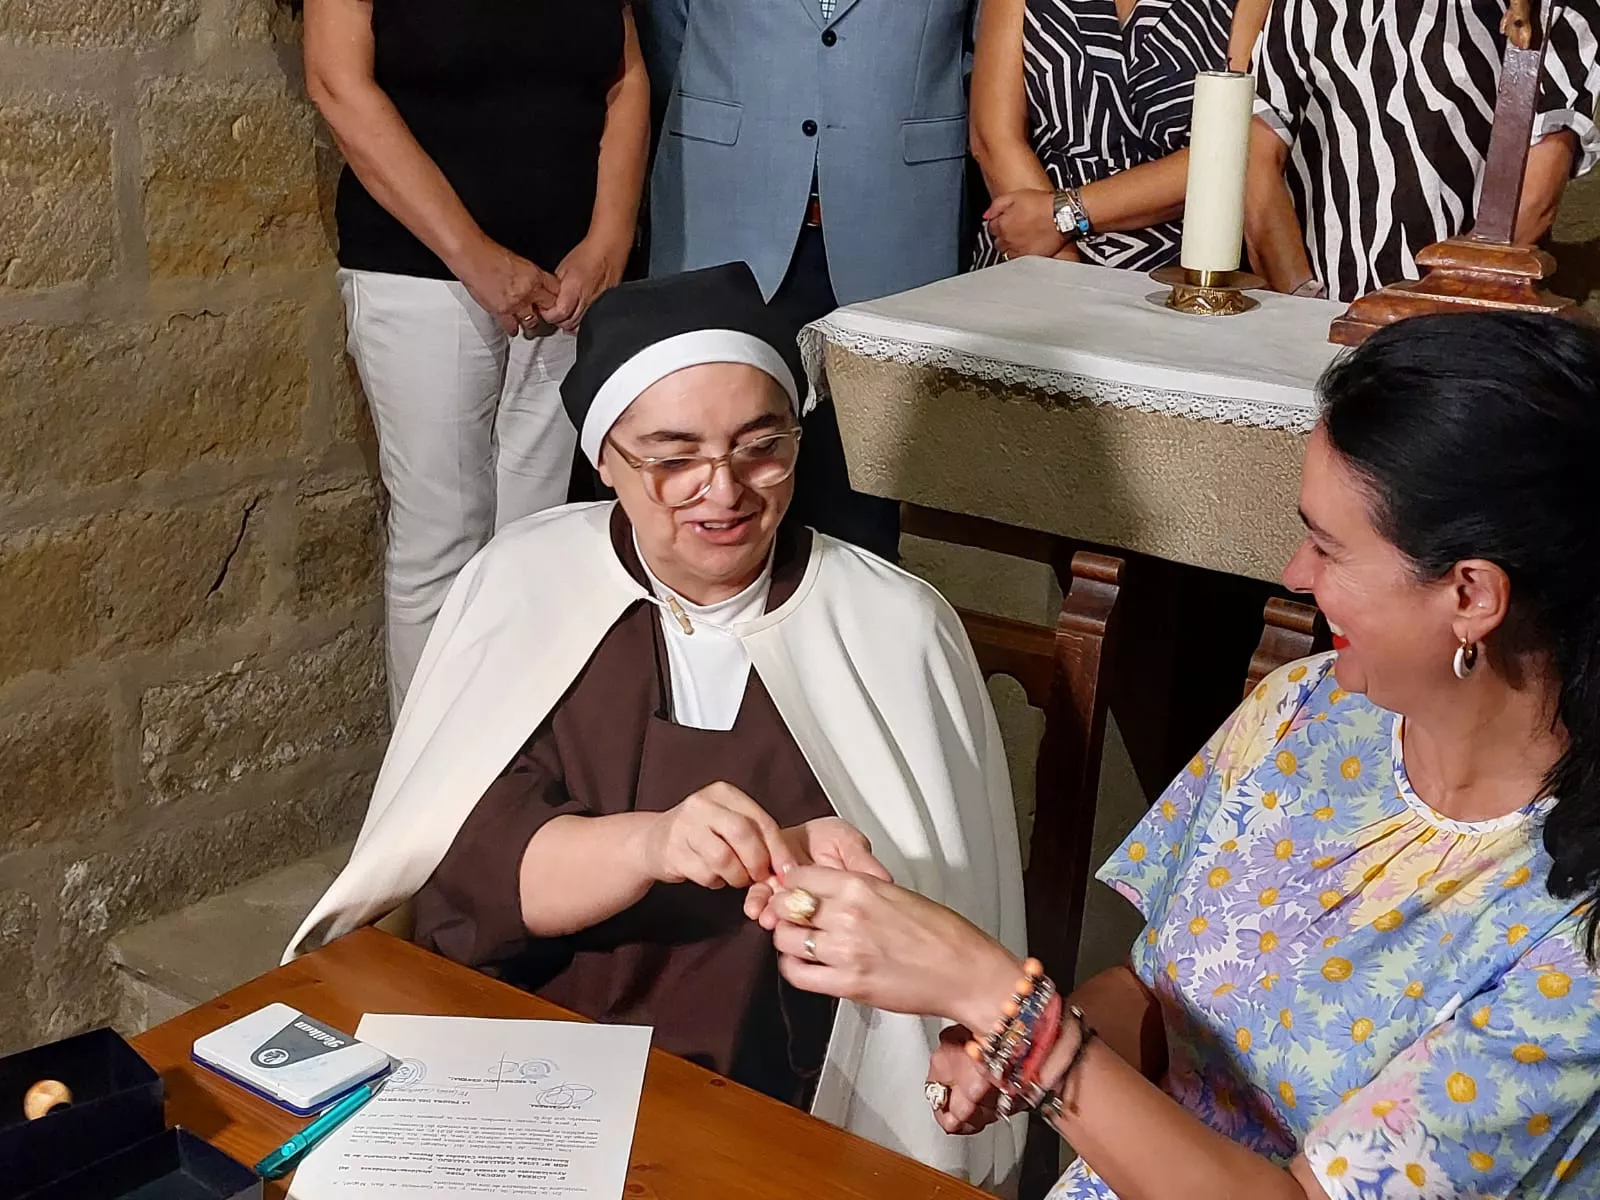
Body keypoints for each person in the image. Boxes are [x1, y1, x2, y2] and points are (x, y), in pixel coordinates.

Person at [754, 311, 1600, 1199]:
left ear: (1471, 594)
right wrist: (1027, 1043)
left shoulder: (1574, 934)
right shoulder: (1303, 709)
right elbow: (1153, 991)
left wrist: (1006, 1009)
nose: (1294, 574)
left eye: (1328, 545)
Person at [287, 264, 1028, 1186]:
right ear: (605, 460)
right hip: (528, 1056)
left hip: (789, 1095)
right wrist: (653, 844)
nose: (724, 493)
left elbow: (943, 910)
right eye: (673, 458)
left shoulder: (894, 625)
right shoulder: (523, 583)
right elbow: (468, 870)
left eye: (762, 448)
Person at [301, 0, 650, 713]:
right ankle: (434, 806)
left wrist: (610, 237)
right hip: (422, 275)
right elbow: (338, 84)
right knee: (442, 542)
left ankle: (522, 787)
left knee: (539, 541)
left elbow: (627, 77)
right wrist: (475, 256)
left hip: (566, 282)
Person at [631, 0, 980, 562]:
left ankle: (848, 646)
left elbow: (980, 52)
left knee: (864, 499)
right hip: (722, 212)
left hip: (896, 228)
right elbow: (663, 40)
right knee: (706, 477)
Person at [1244, 0, 1600, 301]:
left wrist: (1427, 325)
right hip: (1320, 317)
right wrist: (1302, 306)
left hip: (1467, 328)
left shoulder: (1550, 10)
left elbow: (1532, 202)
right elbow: (1257, 159)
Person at [970, 0, 1266, 270]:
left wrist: (1062, 217)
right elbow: (994, 137)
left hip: (1185, 266)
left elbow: (1232, 144)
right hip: (1030, 247)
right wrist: (1059, 269)